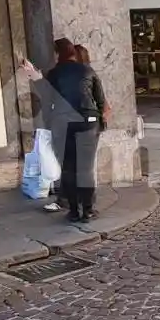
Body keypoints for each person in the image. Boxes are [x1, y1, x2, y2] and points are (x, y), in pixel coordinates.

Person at [41, 39, 108, 223]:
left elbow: (47, 104)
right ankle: (87, 211)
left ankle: (73, 212)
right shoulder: (87, 70)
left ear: (58, 54)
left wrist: (49, 125)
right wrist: (100, 123)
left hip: (63, 122)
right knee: (85, 168)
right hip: (88, 121)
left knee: (69, 169)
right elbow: (101, 102)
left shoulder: (53, 74)